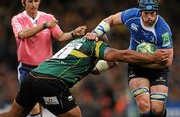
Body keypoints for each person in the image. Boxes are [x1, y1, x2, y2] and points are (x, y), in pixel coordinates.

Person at [0, 34, 169, 117]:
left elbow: (94, 69)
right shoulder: (96, 44)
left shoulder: (77, 44)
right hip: (51, 82)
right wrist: (151, 57)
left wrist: (112, 63)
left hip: (33, 76)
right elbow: (119, 55)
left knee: (14, 115)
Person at [86, 0, 174, 117]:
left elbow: (168, 61)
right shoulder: (132, 15)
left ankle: (115, 61)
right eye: (146, 13)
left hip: (157, 68)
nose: (149, 17)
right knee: (144, 105)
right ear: (140, 11)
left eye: (152, 13)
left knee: (157, 109)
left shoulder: (163, 30)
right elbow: (110, 20)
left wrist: (135, 58)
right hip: (137, 67)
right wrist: (96, 32)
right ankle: (114, 61)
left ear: (157, 12)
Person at [11, 0, 86, 117]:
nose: (33, 4)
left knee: (52, 106)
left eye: (36, 1)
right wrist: (44, 26)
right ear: (23, 3)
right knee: (34, 108)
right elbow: (22, 34)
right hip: (27, 69)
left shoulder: (48, 17)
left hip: (47, 69)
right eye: (30, 1)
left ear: (39, 1)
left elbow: (61, 36)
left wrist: (74, 33)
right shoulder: (17, 19)